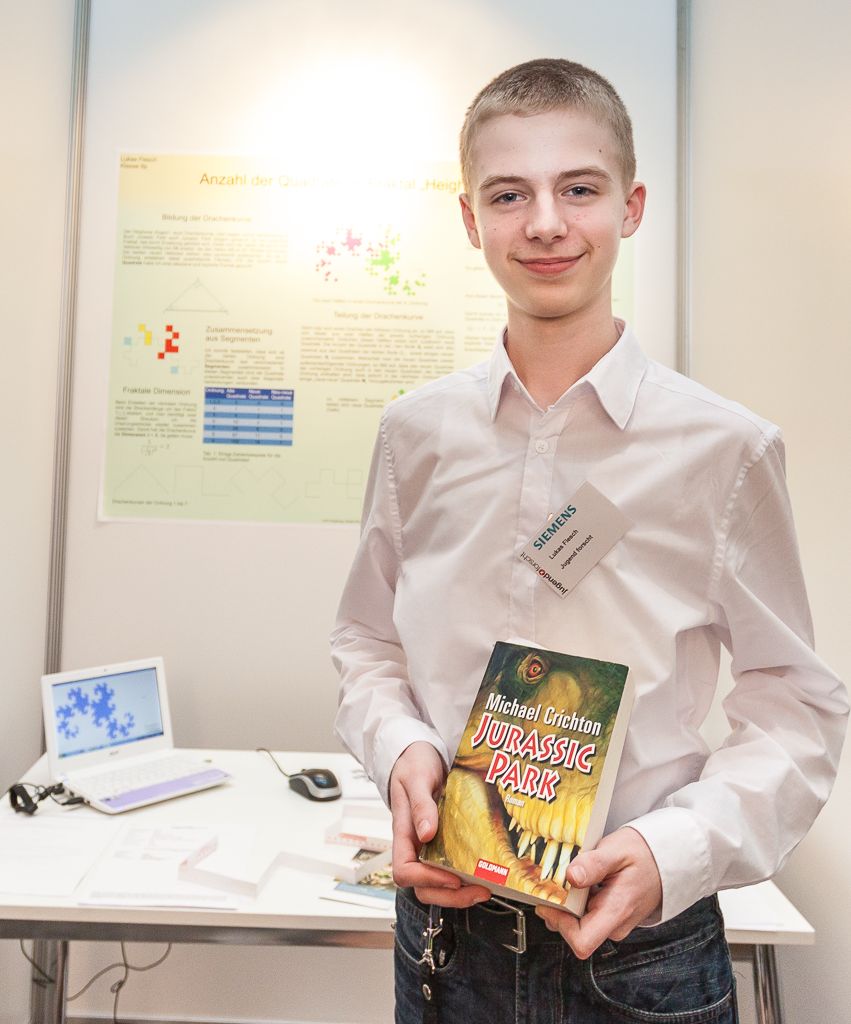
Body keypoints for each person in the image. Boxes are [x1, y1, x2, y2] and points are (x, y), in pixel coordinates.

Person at [331, 58, 847, 1024]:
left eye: (578, 188)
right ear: (469, 219)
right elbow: (366, 641)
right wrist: (399, 748)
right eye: (508, 194)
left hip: (640, 950)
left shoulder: (722, 448)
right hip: (447, 937)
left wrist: (673, 849)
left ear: (630, 206)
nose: (544, 223)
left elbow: (796, 706)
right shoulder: (415, 435)